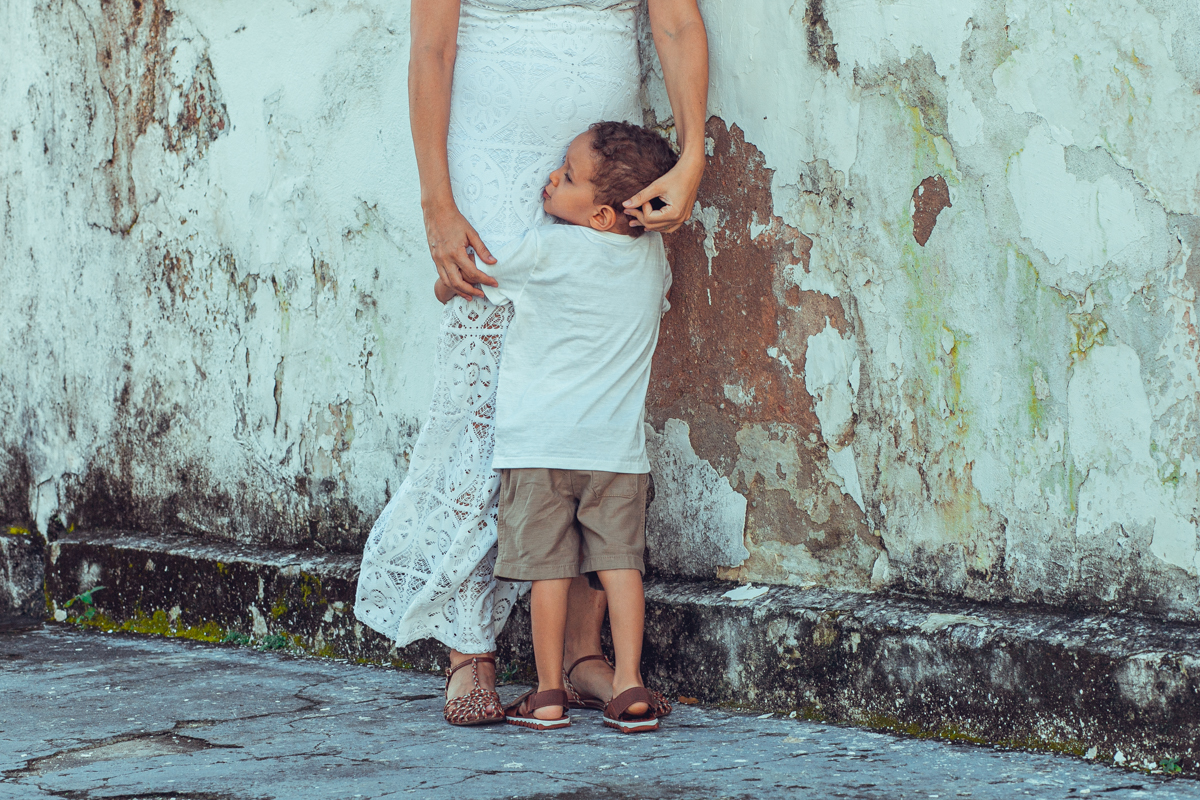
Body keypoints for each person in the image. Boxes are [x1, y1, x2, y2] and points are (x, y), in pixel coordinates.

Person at [354, 0, 708, 727]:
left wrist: (694, 155)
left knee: (589, 385)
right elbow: (432, 49)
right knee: (480, 399)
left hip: (601, 163)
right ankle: (468, 645)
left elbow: (674, 22)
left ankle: (581, 654)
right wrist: (438, 205)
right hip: (490, 158)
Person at [450, 121, 675, 733]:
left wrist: (447, 280)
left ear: (601, 215)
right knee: (619, 566)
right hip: (618, 454)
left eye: (568, 176)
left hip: (538, 446)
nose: (552, 177)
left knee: (550, 569)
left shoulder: (546, 248)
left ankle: (548, 691)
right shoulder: (650, 254)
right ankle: (626, 680)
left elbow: (470, 276)